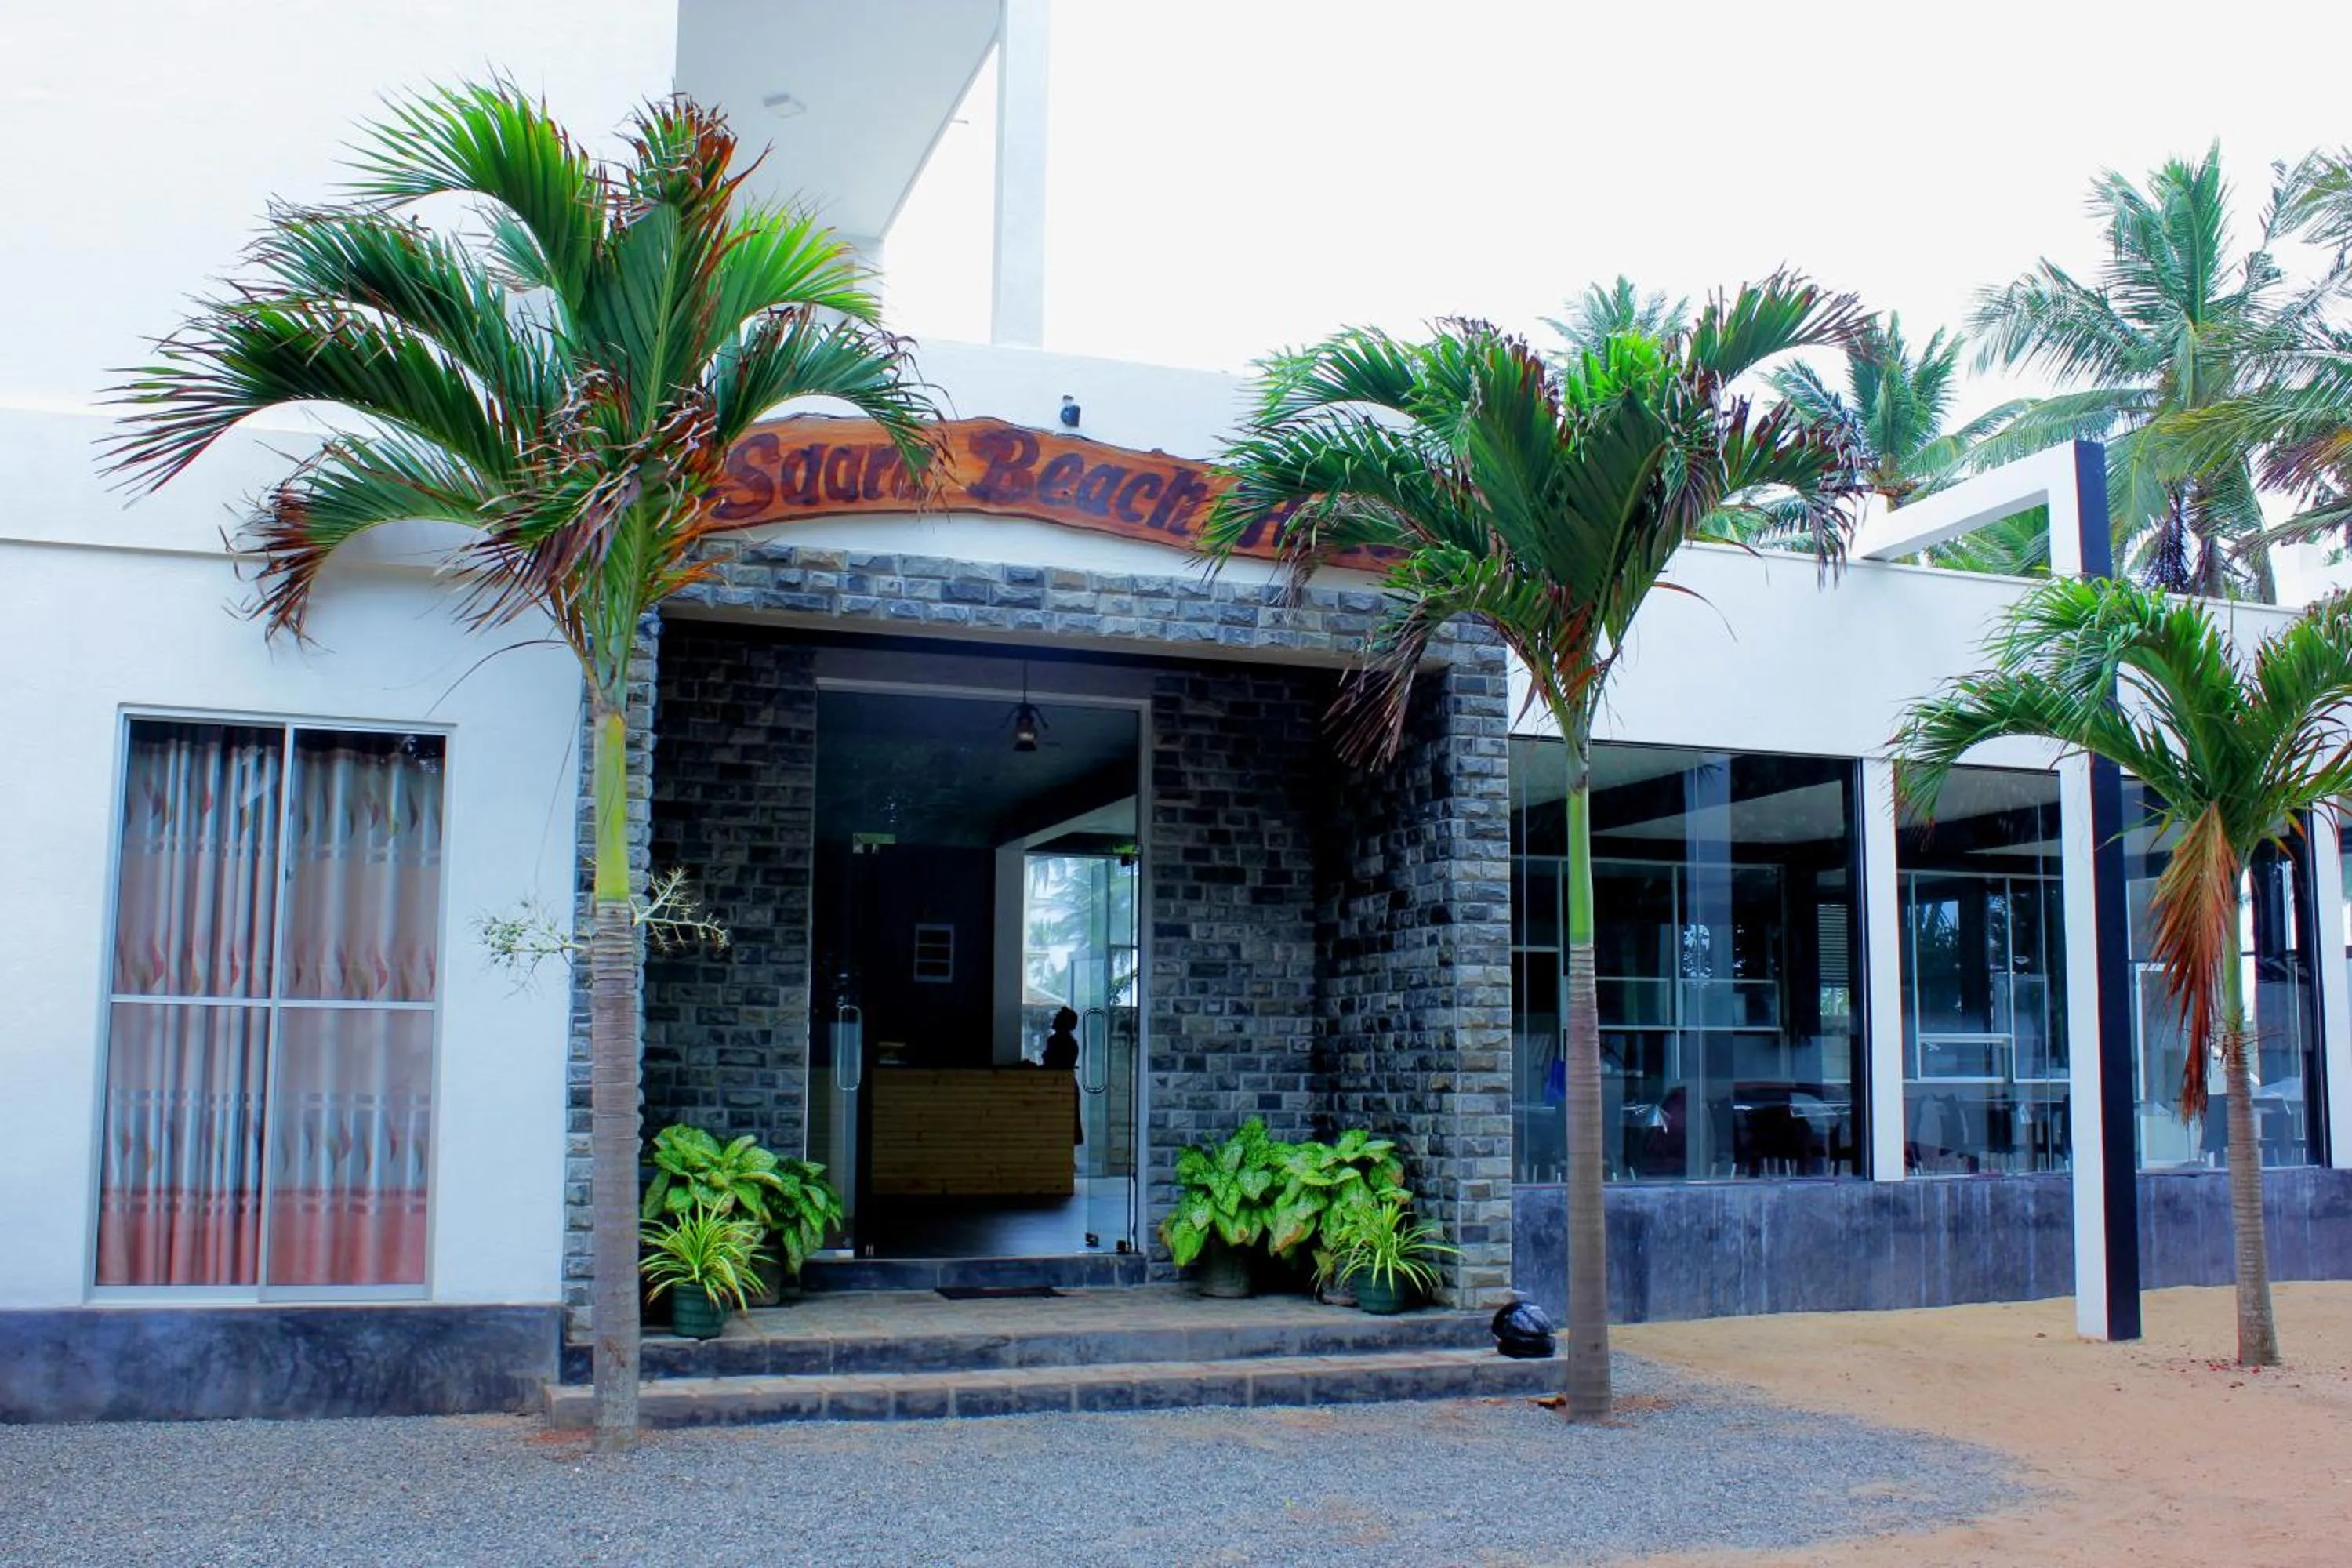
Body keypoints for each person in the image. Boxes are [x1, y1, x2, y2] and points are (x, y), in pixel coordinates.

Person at [1041, 1007, 1083, 1145]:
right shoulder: (1071, 1042)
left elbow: (1052, 1065)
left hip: (1060, 1087)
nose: (1054, 1020)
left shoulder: (1055, 1041)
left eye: (1057, 1017)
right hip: (1067, 1086)